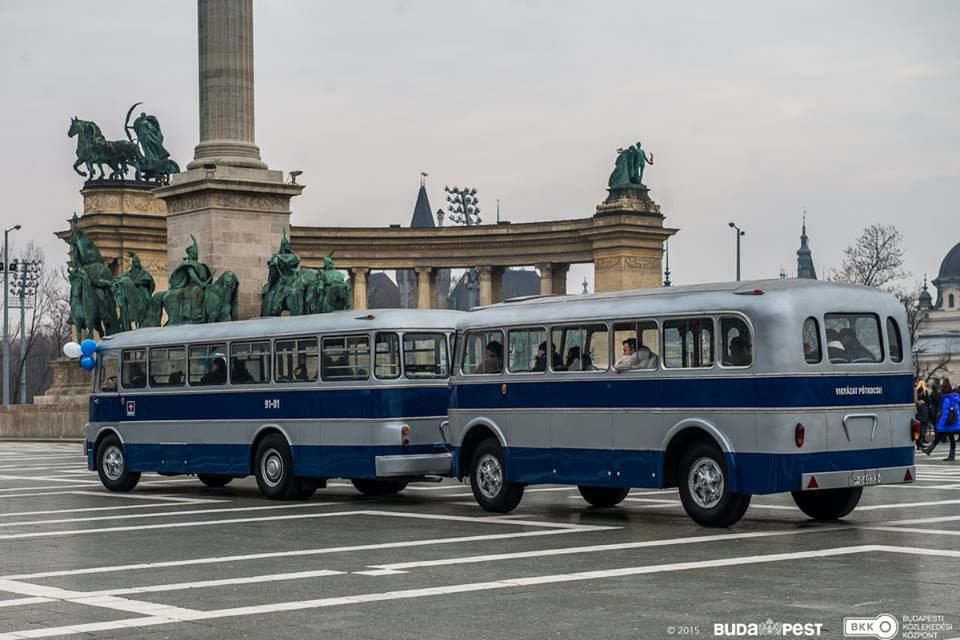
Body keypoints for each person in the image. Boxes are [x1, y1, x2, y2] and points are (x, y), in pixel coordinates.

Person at [923, 380, 960, 461]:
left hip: (947, 422)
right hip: (953, 421)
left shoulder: (946, 399)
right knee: (949, 438)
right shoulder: (954, 397)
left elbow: (945, 414)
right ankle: (930, 450)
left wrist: (940, 424)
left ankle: (930, 450)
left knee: (943, 436)